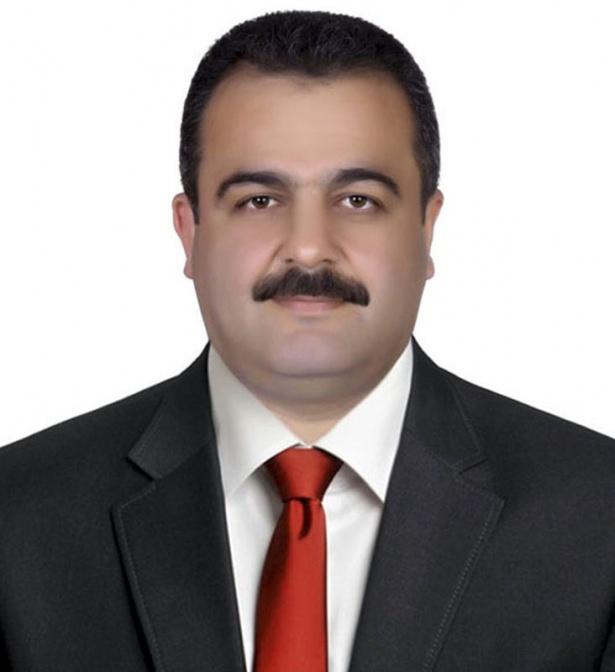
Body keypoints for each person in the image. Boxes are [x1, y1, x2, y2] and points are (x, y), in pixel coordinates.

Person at [0, 8, 614, 671]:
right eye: (259, 200)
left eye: (358, 200)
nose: (309, 247)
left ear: (426, 228)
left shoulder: (598, 516)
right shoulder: (18, 518)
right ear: (190, 231)